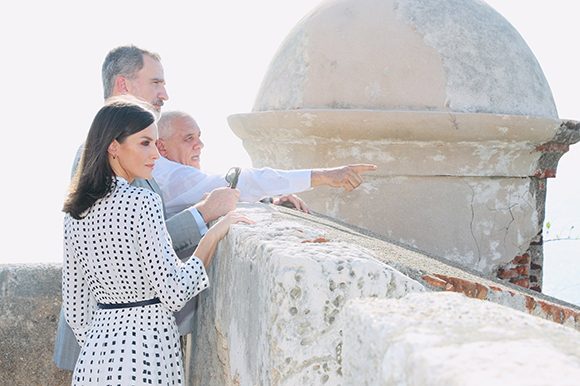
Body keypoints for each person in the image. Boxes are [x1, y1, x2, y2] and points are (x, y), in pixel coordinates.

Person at [54, 45, 239, 372]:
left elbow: (77, 306)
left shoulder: (81, 198)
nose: (164, 94)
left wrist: (103, 348)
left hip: (98, 357)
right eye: (155, 82)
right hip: (143, 353)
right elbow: (163, 282)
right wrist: (210, 222)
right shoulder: (130, 186)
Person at [154, 110, 377, 217]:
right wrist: (324, 176)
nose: (200, 145)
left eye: (199, 136)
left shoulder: (171, 173)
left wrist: (269, 199)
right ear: (162, 147)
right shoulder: (171, 177)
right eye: (188, 138)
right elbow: (240, 181)